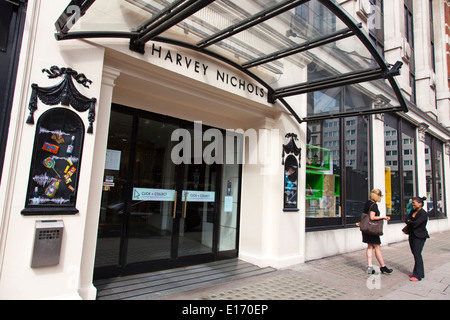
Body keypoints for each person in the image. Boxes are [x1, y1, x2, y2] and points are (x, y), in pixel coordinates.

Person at [362, 189, 393, 274]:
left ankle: (370, 266)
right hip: (372, 229)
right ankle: (383, 266)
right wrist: (383, 217)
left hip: (366, 228)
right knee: (377, 248)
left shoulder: (367, 203)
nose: (380, 198)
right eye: (380, 196)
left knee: (369, 247)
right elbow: (372, 217)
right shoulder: (373, 205)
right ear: (377, 196)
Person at [405, 196, 429, 281]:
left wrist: (410, 222)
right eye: (412, 203)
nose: (413, 205)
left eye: (414, 203)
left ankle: (418, 275)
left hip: (420, 236)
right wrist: (410, 222)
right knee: (415, 254)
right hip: (412, 235)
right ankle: (417, 272)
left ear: (420, 204)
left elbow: (416, 223)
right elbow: (406, 219)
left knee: (417, 254)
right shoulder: (412, 211)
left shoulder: (423, 213)